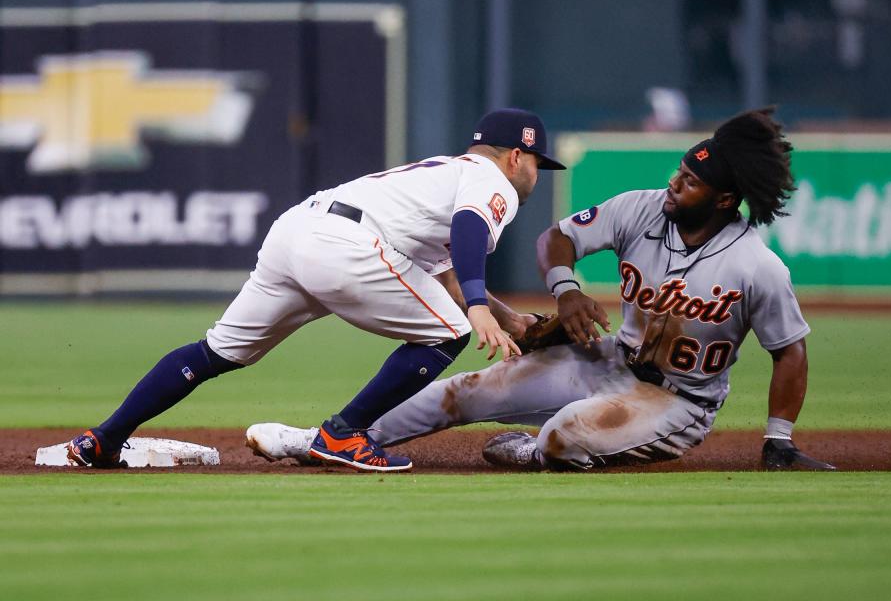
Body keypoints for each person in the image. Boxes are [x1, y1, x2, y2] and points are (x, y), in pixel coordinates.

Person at [245, 107, 835, 472]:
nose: (675, 184)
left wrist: (778, 439)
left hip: (677, 400)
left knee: (562, 435)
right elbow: (557, 239)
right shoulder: (641, 209)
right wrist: (567, 288)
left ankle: (535, 452)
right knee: (458, 393)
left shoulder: (758, 267)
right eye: (679, 170)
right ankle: (327, 437)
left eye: (691, 181)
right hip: (609, 361)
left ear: (725, 199)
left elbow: (790, 351)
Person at [65, 108, 565, 472]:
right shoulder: (491, 181)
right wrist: (477, 307)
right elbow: (470, 231)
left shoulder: (444, 174)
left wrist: (509, 318)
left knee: (216, 351)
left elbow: (444, 277)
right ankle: (343, 434)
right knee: (451, 333)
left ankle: (102, 440)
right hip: (347, 246)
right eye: (537, 164)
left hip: (297, 232)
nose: (536, 175)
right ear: (515, 156)